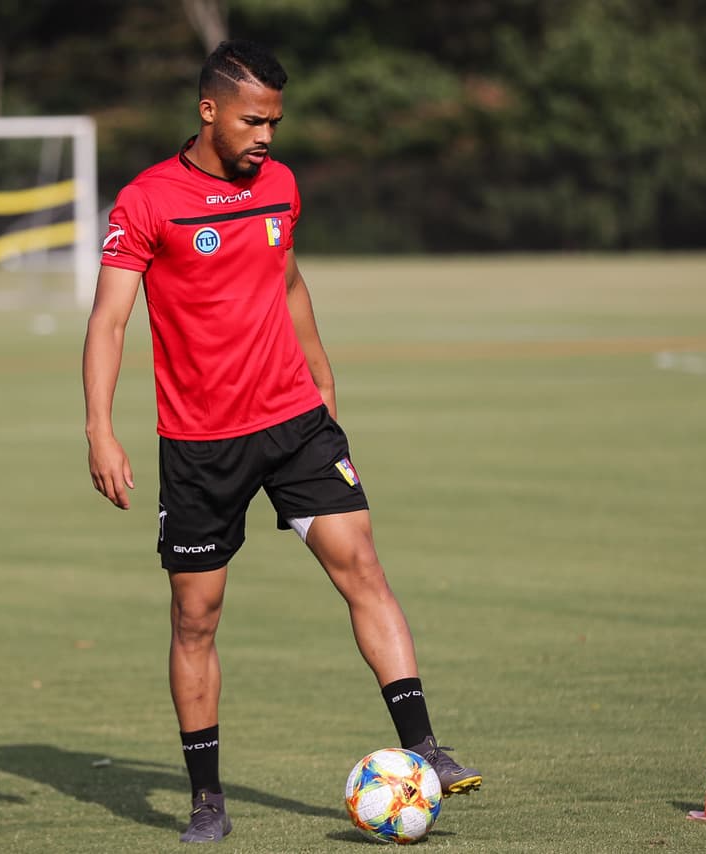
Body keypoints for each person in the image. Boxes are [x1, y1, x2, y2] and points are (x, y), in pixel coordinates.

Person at [82, 39, 481, 844]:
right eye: (252, 119)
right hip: (200, 445)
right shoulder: (147, 201)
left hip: (294, 421)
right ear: (208, 111)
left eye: (274, 121)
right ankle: (206, 800)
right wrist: (100, 428)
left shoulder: (281, 186)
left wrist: (323, 374)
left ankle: (424, 749)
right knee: (196, 617)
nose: (266, 135)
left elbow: (289, 280)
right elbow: (110, 319)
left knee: (362, 564)